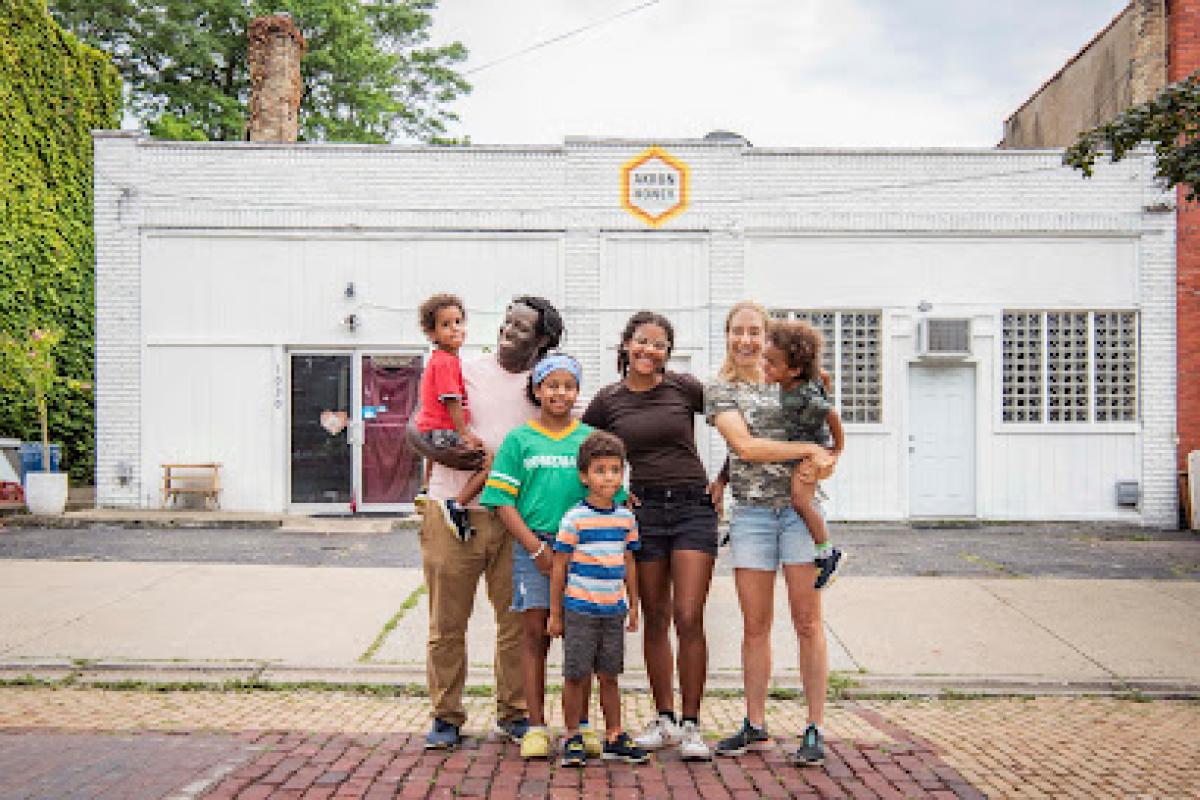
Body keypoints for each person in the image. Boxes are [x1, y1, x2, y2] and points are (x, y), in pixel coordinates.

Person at [405, 296, 563, 751]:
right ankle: (446, 716)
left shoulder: (544, 387)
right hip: (451, 512)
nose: (508, 331)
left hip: (514, 519)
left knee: (516, 624)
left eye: (521, 327)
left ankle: (513, 712)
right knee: (447, 622)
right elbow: (417, 425)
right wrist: (438, 452)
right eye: (507, 322)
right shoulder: (463, 369)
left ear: (542, 340)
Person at [582, 310, 718, 760]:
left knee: (689, 615)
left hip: (693, 508)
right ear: (626, 344)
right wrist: (616, 493)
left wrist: (723, 480)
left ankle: (693, 725)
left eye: (659, 345)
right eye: (642, 341)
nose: (649, 350)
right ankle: (665, 720)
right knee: (655, 617)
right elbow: (585, 452)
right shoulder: (608, 401)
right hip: (644, 514)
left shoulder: (684, 388)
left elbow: (740, 421)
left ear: (667, 353)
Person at [705, 300, 837, 767]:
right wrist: (807, 450)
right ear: (727, 335)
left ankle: (814, 726)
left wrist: (825, 458)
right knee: (755, 626)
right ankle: (755, 722)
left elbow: (828, 441)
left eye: (754, 332)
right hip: (752, 517)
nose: (746, 340)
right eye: (737, 331)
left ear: (768, 338)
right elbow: (744, 446)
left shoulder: (796, 379)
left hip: (800, 515)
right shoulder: (720, 388)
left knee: (808, 622)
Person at [479, 353, 611, 760]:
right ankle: (536, 726)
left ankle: (579, 725)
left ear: (577, 391)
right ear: (537, 390)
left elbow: (610, 494)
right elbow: (502, 500)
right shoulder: (519, 440)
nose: (560, 393)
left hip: (583, 552)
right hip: (533, 547)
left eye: (568, 386)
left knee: (580, 640)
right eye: (552, 385)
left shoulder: (589, 440)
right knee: (534, 635)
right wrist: (536, 549)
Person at [547, 430, 648, 766]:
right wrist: (555, 613)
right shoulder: (574, 519)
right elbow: (559, 566)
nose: (609, 477)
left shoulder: (626, 519)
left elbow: (629, 562)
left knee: (610, 674)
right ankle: (572, 735)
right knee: (576, 674)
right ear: (584, 476)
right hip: (579, 609)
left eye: (615, 470)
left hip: (613, 610)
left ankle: (615, 734)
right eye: (600, 470)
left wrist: (633, 604)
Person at [764, 318, 846, 589]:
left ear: (794, 370)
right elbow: (823, 376)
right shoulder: (795, 381)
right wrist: (822, 382)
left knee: (800, 501)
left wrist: (836, 449)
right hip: (800, 447)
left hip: (810, 451)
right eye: (766, 359)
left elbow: (831, 414)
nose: (765, 366)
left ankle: (828, 551)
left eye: (772, 363)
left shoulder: (803, 396)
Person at [413, 293, 487, 540]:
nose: (455, 329)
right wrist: (465, 434)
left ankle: (425, 489)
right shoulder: (446, 362)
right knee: (491, 462)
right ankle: (457, 503)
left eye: (458, 322)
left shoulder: (439, 359)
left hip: (429, 428)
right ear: (431, 333)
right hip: (442, 431)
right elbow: (451, 400)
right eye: (446, 325)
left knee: (434, 454)